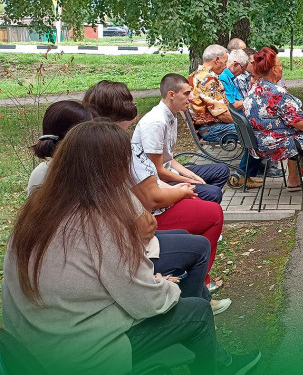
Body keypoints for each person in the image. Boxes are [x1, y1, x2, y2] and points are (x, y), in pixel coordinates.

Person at [2, 120, 260, 375]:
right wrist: (166, 289)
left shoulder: (35, 211)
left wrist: (150, 284)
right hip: (74, 361)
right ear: (111, 170)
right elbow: (145, 301)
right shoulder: (96, 220)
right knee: (196, 312)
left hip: (29, 352)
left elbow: (90, 279)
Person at [26, 99, 214, 302]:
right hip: (112, 259)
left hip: (104, 255)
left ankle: (191, 301)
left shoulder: (43, 174)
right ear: (79, 140)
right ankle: (190, 308)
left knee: (185, 235)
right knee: (200, 241)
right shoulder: (88, 179)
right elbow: (144, 226)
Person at [84, 81, 230, 313]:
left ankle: (196, 290)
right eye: (187, 93)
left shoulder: (96, 142)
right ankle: (197, 297)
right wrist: (182, 189)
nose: (191, 97)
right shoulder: (128, 139)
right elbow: (152, 194)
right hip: (135, 227)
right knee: (211, 212)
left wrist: (185, 178)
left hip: (131, 223)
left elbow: (158, 168)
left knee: (206, 198)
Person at [243, 48, 303, 204]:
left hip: (258, 143)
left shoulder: (254, 88)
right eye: (279, 65)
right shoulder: (277, 92)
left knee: (300, 137)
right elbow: (301, 123)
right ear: (274, 70)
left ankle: (294, 180)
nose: (281, 68)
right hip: (273, 144)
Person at [132, 73, 230, 204]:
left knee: (221, 171)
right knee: (213, 193)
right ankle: (192, 207)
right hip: (157, 182)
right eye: (187, 93)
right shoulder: (156, 122)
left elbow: (168, 158)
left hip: (168, 172)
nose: (191, 98)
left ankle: (197, 208)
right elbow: (156, 170)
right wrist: (188, 181)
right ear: (171, 95)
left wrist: (192, 176)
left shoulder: (171, 115)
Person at [188, 44, 263, 189]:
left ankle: (246, 175)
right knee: (256, 133)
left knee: (253, 129)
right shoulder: (208, 79)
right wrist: (244, 124)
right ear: (216, 60)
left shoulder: (195, 75)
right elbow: (222, 114)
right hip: (211, 129)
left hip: (210, 126)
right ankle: (242, 176)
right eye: (224, 60)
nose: (225, 65)